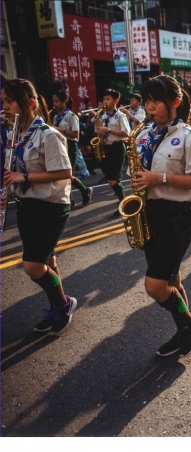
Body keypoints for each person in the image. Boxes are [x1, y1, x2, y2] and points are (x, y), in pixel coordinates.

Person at [133, 75, 191, 357]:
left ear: (175, 102)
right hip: (150, 212)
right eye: (147, 101)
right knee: (172, 278)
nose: (150, 107)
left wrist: (159, 177)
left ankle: (189, 322)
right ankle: (184, 330)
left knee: (155, 285)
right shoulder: (142, 135)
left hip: (177, 215)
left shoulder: (190, 136)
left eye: (156, 102)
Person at [1, 79, 78, 333]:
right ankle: (58, 307)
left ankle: (63, 303)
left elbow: (65, 172)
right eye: (4, 101)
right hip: (27, 205)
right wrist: (9, 190)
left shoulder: (49, 134)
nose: (5, 106)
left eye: (10, 101)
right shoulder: (14, 136)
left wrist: (24, 178)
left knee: (33, 265)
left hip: (51, 206)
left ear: (30, 103)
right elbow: (15, 171)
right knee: (48, 261)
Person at [51, 90, 92, 207]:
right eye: (53, 101)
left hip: (70, 145)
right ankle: (71, 200)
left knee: (68, 174)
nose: (55, 104)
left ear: (65, 101)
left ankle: (84, 191)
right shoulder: (56, 117)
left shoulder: (71, 116)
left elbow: (75, 135)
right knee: (62, 175)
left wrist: (60, 130)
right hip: (59, 145)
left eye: (57, 101)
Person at [96, 89, 131, 216]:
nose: (105, 102)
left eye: (108, 99)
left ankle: (124, 203)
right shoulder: (103, 115)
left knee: (113, 180)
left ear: (116, 101)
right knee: (113, 179)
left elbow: (126, 133)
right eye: (104, 99)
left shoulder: (120, 115)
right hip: (106, 148)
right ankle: (124, 203)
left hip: (117, 147)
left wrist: (109, 130)